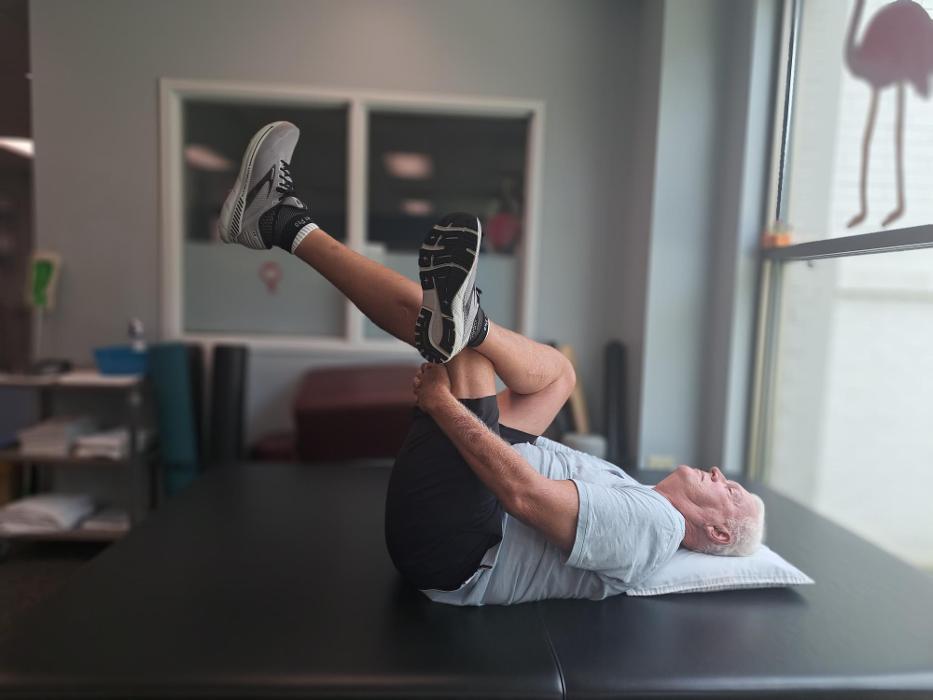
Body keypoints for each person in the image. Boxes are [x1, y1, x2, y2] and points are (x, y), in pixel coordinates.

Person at [217, 121, 766, 605]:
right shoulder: (642, 497)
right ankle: (468, 321)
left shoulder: (656, 527)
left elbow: (523, 495)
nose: (722, 476)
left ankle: (283, 224)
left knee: (466, 358)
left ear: (718, 533)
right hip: (470, 510)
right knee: (559, 376)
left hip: (455, 554)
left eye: (731, 493)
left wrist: (443, 405)